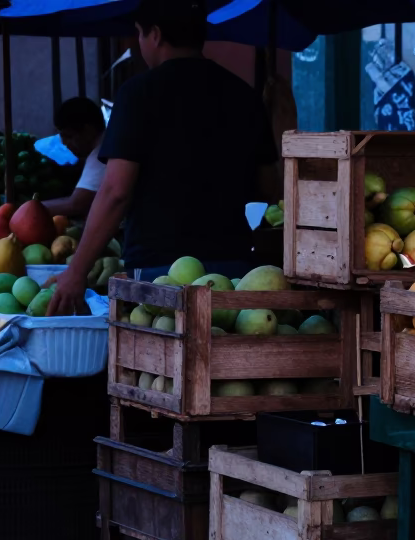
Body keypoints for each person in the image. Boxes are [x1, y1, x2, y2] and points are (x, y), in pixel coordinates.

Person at [47, 0, 278, 316]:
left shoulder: (137, 94)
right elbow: (268, 188)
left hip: (159, 270)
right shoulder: (244, 95)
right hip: (234, 267)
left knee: (159, 360)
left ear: (154, 35)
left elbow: (116, 191)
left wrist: (77, 270)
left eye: (139, 34)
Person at [41, 97, 107, 219]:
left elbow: (77, 205)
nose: (65, 143)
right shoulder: (105, 143)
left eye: (68, 136)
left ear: (88, 130)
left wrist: (26, 209)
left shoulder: (101, 154)